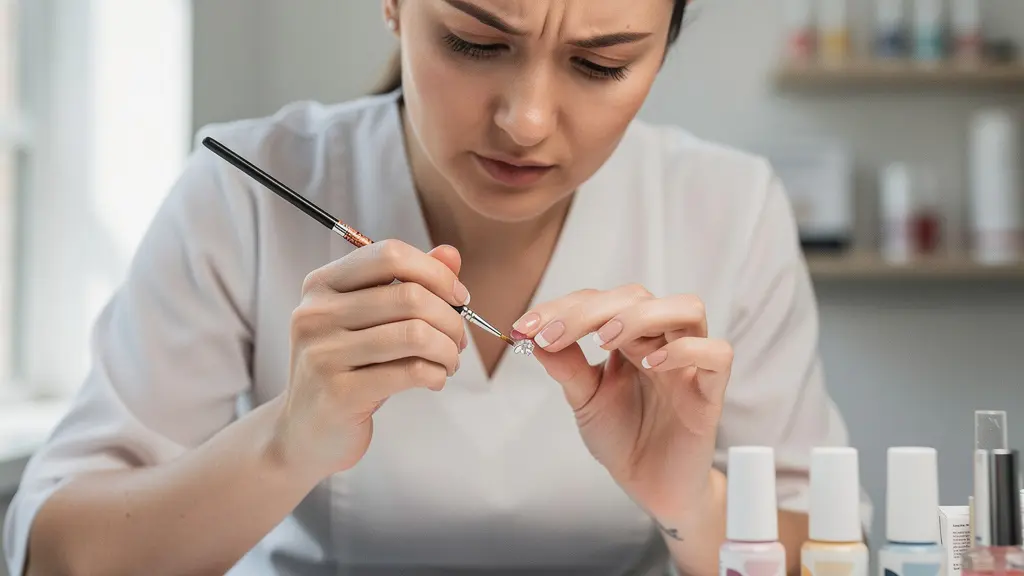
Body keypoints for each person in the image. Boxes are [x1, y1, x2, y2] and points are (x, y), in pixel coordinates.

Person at [3, 1, 871, 575]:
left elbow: (833, 555)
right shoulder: (247, 188)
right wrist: (286, 441)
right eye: (474, 43)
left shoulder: (729, 206)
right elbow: (54, 555)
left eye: (600, 65)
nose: (526, 121)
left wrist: (693, 500)